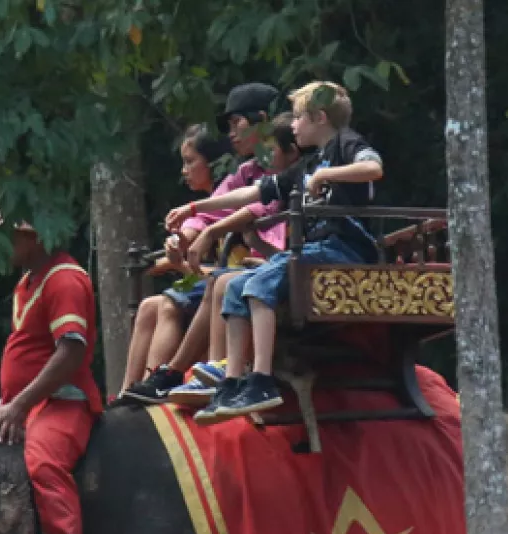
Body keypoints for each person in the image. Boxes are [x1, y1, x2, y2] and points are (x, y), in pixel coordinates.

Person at [164, 81, 384, 423]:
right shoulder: (306, 166)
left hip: (344, 250)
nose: (292, 125)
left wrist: (328, 174)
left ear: (320, 117)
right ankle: (234, 381)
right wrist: (195, 208)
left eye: (297, 118)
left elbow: (373, 168)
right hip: (314, 251)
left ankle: (262, 379)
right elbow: (250, 195)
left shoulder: (346, 143)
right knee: (236, 288)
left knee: (258, 284)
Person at [117, 82, 286, 405]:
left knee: (213, 285)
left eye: (235, 123)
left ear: (262, 119)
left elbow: (263, 206)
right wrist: (186, 234)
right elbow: (217, 206)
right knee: (158, 302)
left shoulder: (287, 165)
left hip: (274, 264)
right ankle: (135, 388)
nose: (230, 133)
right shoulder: (247, 170)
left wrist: (208, 232)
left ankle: (187, 374)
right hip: (249, 270)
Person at [0, 219, 102, 534]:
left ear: (35, 236)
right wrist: (8, 403)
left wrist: (18, 405)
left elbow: (69, 351)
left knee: (44, 462)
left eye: (10, 235)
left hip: (63, 402)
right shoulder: (28, 282)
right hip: (28, 404)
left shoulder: (65, 280)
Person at [117, 123, 226, 399]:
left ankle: (154, 382)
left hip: (234, 281)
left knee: (169, 301)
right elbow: (194, 229)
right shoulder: (215, 203)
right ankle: (127, 391)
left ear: (212, 162)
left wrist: (176, 263)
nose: (183, 171)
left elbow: (218, 267)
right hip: (215, 282)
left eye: (190, 162)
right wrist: (174, 253)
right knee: (148, 306)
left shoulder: (231, 198)